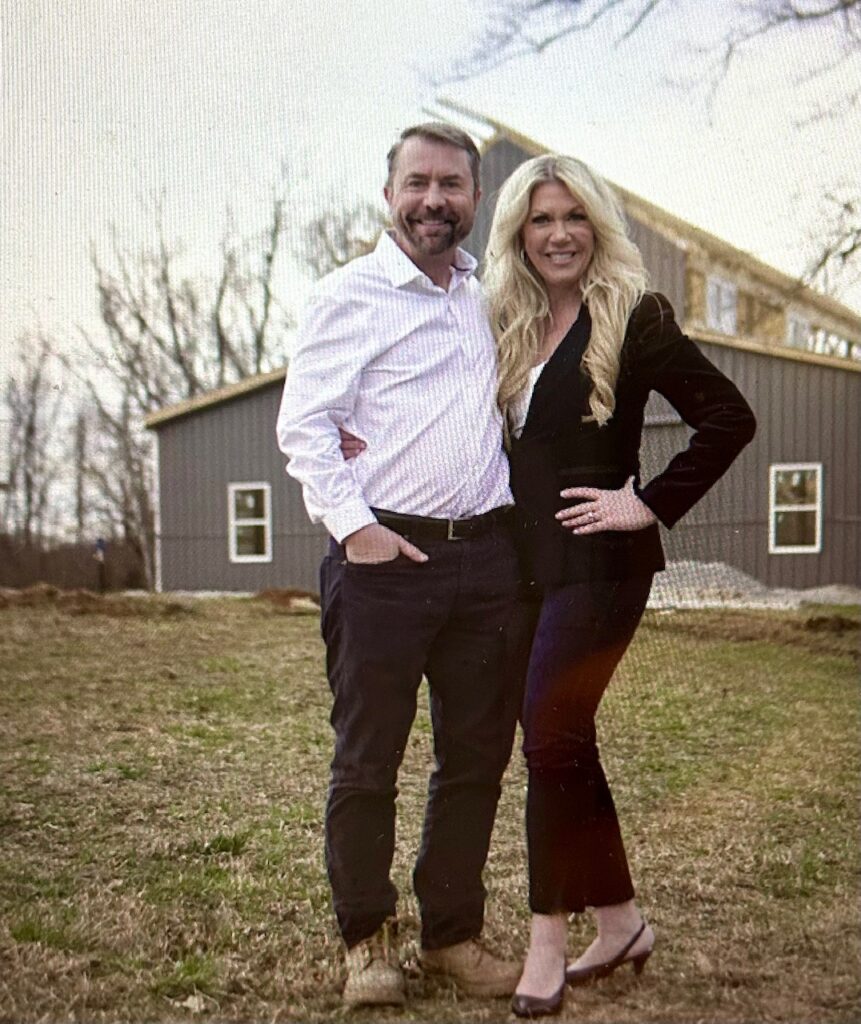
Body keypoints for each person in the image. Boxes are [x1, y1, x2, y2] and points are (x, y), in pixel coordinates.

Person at [481, 154, 756, 1018]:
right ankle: (623, 922)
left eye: (572, 217)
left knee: (548, 739)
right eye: (539, 219)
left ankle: (545, 946)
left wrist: (646, 502)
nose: (557, 233)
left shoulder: (632, 316)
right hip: (523, 571)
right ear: (517, 234)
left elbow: (728, 417)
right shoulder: (505, 321)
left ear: (595, 226)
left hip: (601, 569)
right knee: (568, 744)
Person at [275, 123, 522, 1009]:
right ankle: (366, 940)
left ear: (474, 198)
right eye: (416, 182)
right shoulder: (347, 295)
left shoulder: (487, 298)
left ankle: (452, 936)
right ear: (389, 195)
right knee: (367, 759)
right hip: (382, 559)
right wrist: (356, 528)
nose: (433, 200)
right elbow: (305, 426)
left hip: (485, 559)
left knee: (474, 758)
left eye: (451, 184)